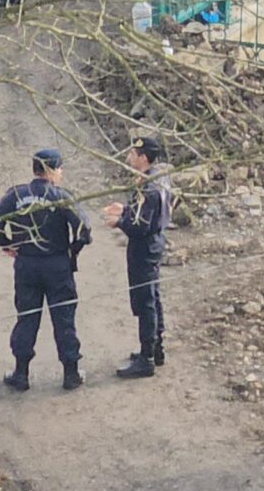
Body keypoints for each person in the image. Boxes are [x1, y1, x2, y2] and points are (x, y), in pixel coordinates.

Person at [0, 149, 93, 392]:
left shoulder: (17, 194)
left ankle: (21, 374)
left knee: (27, 317)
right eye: (60, 169)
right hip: (57, 265)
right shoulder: (61, 197)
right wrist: (72, 251)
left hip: (27, 265)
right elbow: (85, 229)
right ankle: (71, 374)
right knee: (64, 318)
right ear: (52, 170)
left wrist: (6, 243)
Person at [102, 136, 175, 379]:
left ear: (144, 158)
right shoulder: (157, 178)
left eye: (133, 154)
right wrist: (125, 210)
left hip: (145, 247)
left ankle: (147, 358)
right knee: (153, 296)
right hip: (153, 244)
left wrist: (119, 222)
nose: (128, 158)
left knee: (145, 301)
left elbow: (141, 225)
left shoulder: (149, 187)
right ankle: (156, 348)